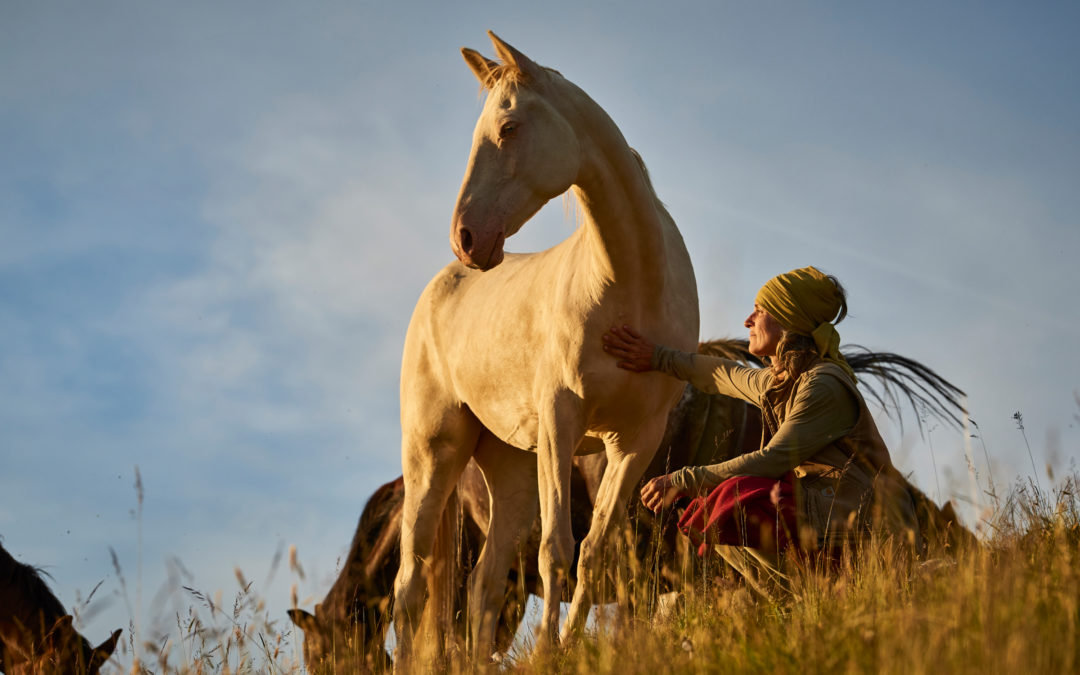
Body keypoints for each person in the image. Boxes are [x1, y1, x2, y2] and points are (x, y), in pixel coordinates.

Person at [602, 266, 921, 595]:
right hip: (830, 517)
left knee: (736, 496)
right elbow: (723, 374)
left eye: (760, 309)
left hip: (870, 529)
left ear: (788, 319)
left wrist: (682, 479)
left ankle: (815, 592)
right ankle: (796, 599)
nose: (748, 320)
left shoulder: (823, 385)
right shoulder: (783, 382)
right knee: (707, 508)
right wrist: (656, 357)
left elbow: (773, 460)